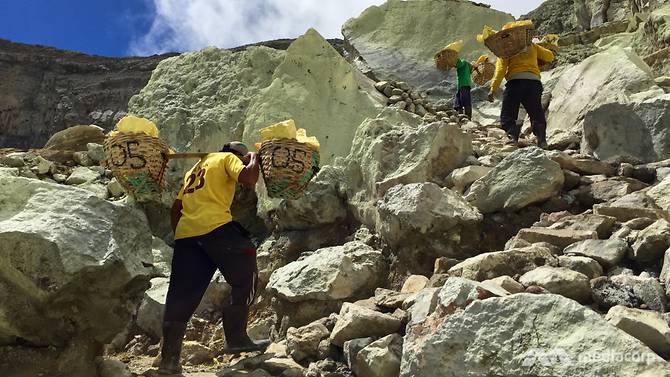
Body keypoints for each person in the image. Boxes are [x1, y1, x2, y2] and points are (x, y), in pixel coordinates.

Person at [156, 141, 268, 375]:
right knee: (246, 272)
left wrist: (183, 236)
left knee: (181, 295)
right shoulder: (228, 159)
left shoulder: (195, 169)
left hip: (187, 236)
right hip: (216, 228)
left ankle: (169, 361)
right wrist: (254, 158)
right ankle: (236, 337)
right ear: (238, 154)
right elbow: (248, 179)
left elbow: (176, 209)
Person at [487, 37, 555, 149]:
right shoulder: (532, 46)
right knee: (536, 112)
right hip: (534, 83)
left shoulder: (506, 49)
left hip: (516, 83)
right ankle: (542, 140)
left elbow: (501, 70)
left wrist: (493, 89)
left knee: (507, 113)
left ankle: (512, 137)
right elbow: (550, 56)